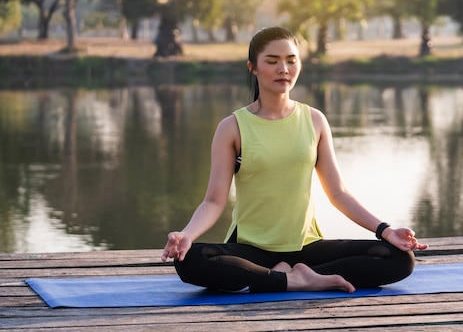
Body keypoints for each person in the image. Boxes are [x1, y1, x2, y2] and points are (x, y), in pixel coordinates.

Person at [161, 26, 428, 293]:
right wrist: (187, 235)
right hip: (252, 249)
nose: (284, 69)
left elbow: (338, 193)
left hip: (307, 248)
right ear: (253, 67)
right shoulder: (232, 127)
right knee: (190, 261)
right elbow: (214, 201)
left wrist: (385, 231)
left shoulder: (314, 120)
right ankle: (296, 280)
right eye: (272, 61)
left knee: (399, 258)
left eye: (291, 60)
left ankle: (287, 277)